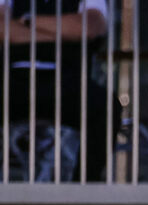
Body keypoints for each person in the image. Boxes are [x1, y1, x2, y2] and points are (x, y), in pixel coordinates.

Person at [0, 0, 116, 181]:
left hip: (66, 82)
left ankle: (85, 188)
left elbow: (90, 27)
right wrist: (63, 33)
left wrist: (29, 21)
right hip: (14, 81)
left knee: (106, 107)